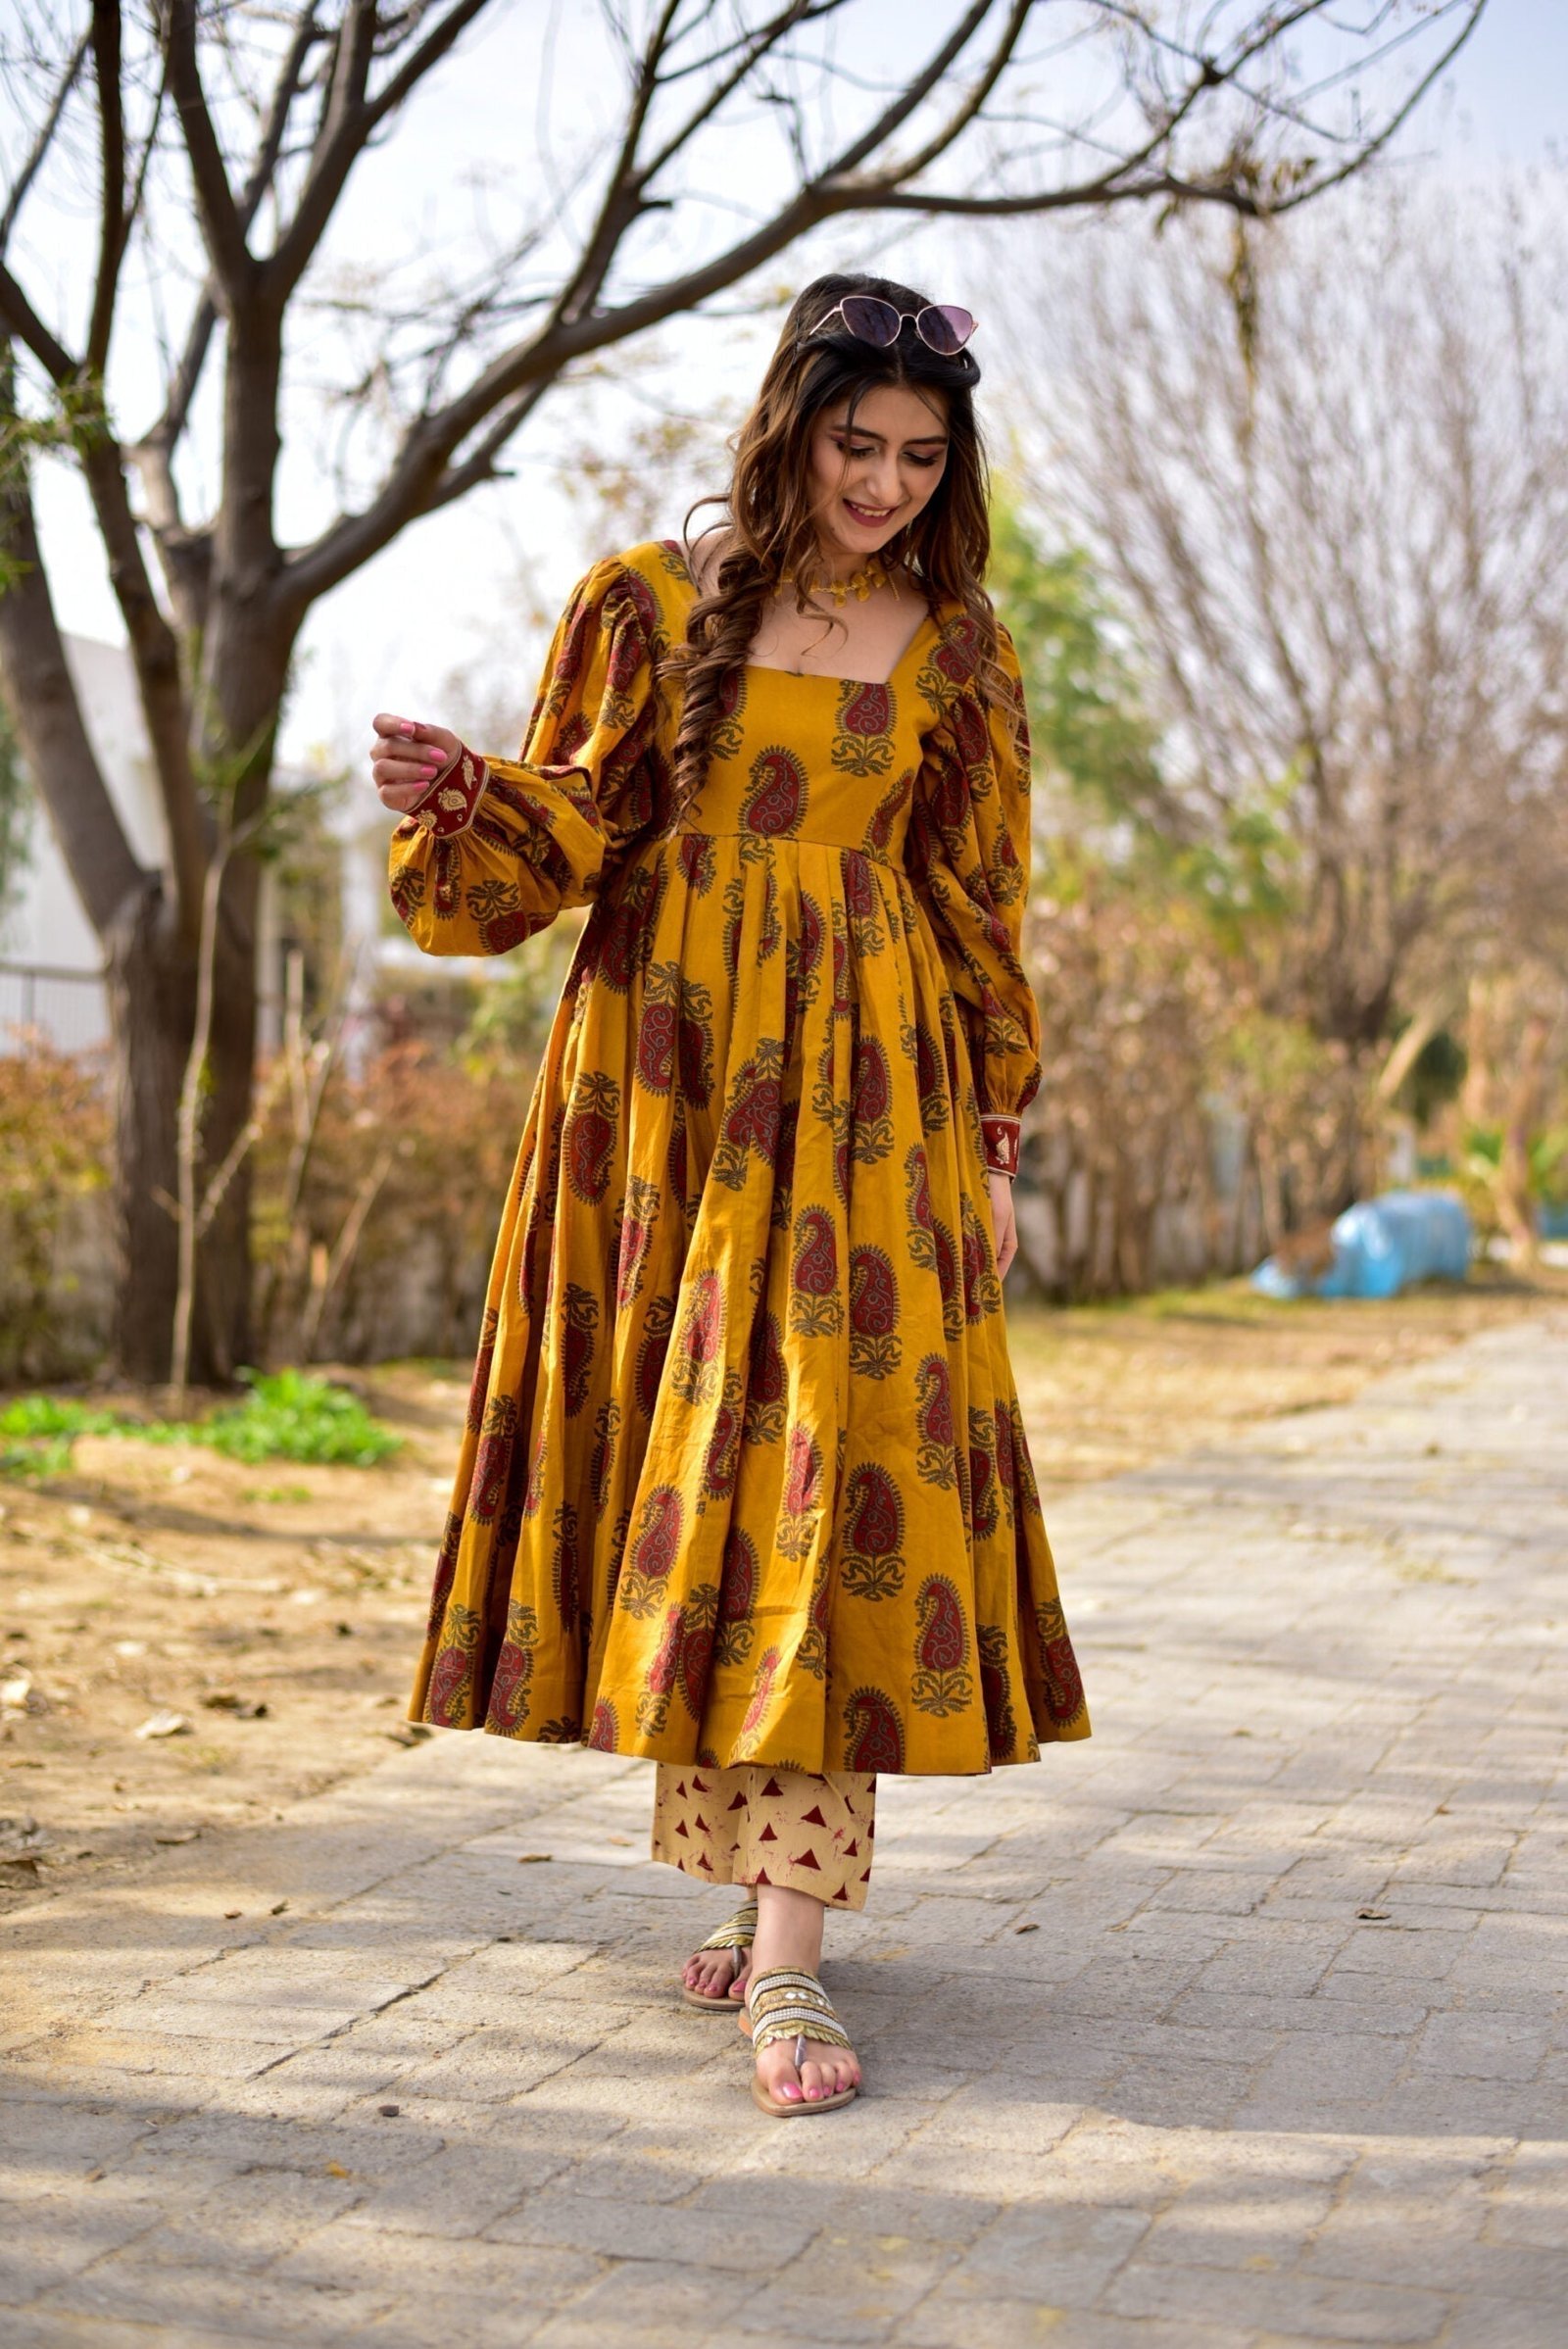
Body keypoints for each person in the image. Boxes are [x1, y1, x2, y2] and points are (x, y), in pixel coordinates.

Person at [368, 271, 1089, 2120]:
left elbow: (979, 901)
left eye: (922, 456)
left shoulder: (960, 649)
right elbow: (572, 825)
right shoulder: (645, 602)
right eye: (859, 443)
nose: (887, 484)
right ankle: (751, 1866)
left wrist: (990, 1138)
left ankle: (788, 1951)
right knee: (701, 1472)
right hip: (662, 1089)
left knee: (824, 1471)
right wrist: (466, 795)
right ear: (790, 427)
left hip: (863, 1104)